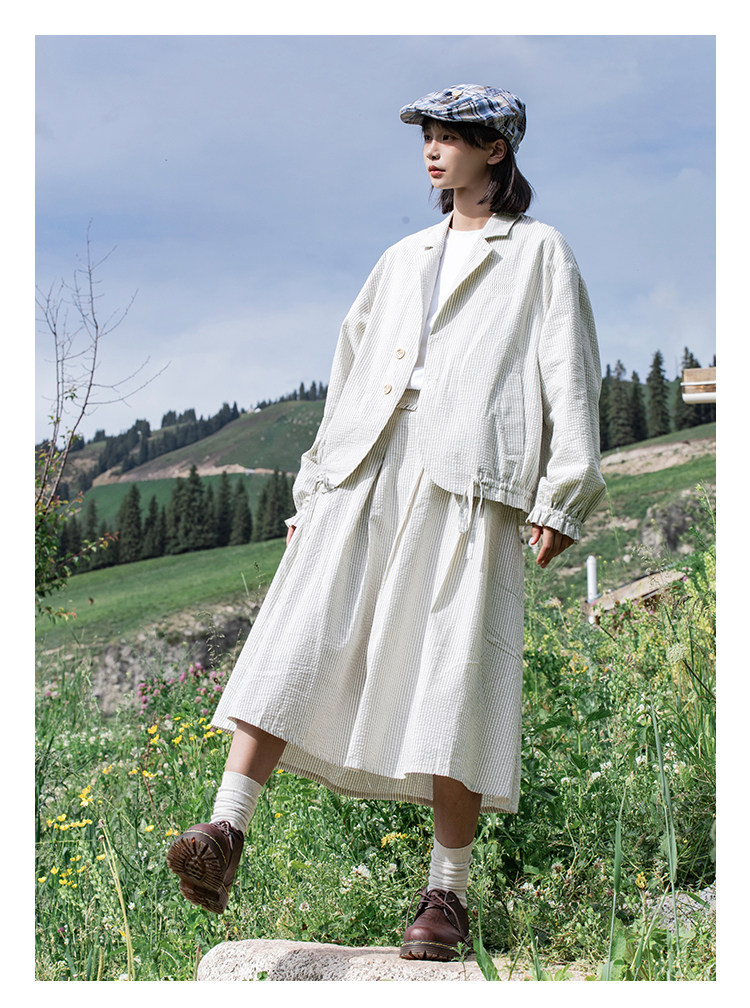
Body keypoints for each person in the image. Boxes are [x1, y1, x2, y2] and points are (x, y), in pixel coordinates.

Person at [167, 83, 606, 962]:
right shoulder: (402, 258)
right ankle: (224, 830)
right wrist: (312, 491)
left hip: (469, 479)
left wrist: (564, 492)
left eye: (451, 137)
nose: (432, 151)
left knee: (454, 673)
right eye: (428, 137)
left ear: (496, 150)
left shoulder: (538, 252)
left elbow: (570, 371)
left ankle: (447, 895)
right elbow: (349, 372)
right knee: (297, 635)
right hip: (362, 466)